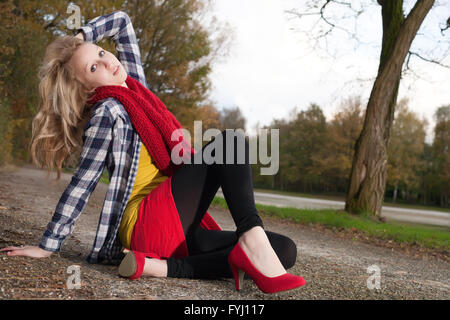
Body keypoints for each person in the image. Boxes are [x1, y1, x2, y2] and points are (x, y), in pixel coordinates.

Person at [0, 10, 305, 293]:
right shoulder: (107, 112)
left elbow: (121, 22)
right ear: (85, 90)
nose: (108, 62)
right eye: (94, 67)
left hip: (175, 222)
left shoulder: (135, 88)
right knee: (230, 144)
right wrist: (47, 245)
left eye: (103, 52)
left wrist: (81, 37)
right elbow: (83, 182)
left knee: (283, 250)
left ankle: (161, 267)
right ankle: (251, 235)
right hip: (146, 223)